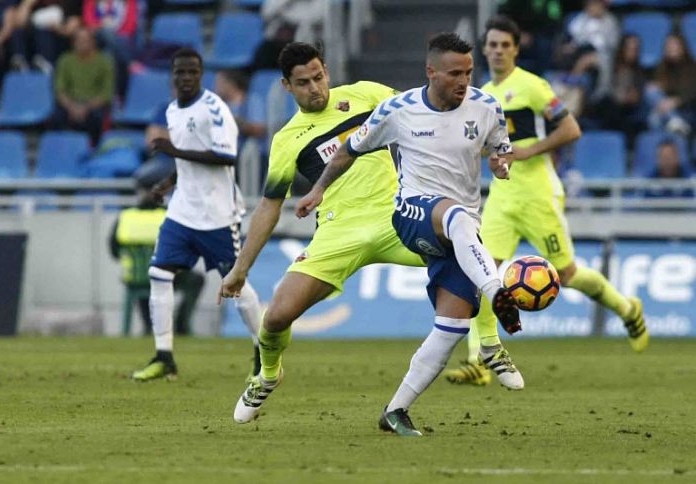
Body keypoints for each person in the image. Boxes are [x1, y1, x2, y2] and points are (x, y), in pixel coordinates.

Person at [294, 33, 522, 436]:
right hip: (413, 212)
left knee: (450, 328)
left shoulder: (487, 107)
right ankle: (496, 292)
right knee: (455, 216)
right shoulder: (397, 111)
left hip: (461, 229)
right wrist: (317, 189)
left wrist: (501, 164)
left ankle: (396, 411)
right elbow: (349, 150)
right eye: (454, 73)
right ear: (431, 72)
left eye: (468, 72)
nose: (463, 81)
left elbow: (500, 148)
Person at [219, 41, 440, 426]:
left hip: (395, 219)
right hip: (339, 232)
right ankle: (268, 374)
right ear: (287, 86)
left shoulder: (366, 95)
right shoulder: (288, 139)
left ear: (327, 71)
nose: (315, 88)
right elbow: (269, 205)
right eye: (303, 83)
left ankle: (487, 348)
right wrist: (241, 269)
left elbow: (423, 110)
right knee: (275, 318)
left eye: (319, 77)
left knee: (469, 258)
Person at [444, 16, 648, 387]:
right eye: (492, 45)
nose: (498, 51)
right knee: (483, 275)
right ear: (484, 49)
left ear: (516, 49)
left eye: (506, 45)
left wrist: (527, 152)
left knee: (567, 274)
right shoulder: (481, 94)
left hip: (538, 194)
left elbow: (571, 129)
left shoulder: (534, 87)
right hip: (502, 198)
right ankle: (479, 359)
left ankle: (626, 308)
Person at [131, 48, 262, 382]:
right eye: (180, 72)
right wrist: (165, 185)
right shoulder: (173, 111)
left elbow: (225, 156)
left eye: (192, 72)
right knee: (159, 275)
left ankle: (264, 353)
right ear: (172, 77)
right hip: (182, 212)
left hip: (217, 215)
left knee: (235, 284)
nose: (185, 77)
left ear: (201, 75)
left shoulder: (215, 108)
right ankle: (164, 357)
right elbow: (186, 161)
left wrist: (173, 150)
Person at [108, 164, 205, 336]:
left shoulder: (125, 217)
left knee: (145, 278)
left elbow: (114, 251)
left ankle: (149, 325)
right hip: (169, 276)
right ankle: (181, 325)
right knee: (193, 279)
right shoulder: (170, 216)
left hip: (135, 277)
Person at [51, 27, 114, 145]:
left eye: (86, 40)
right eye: (78, 40)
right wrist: (72, 107)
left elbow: (106, 93)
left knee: (97, 116)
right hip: (71, 103)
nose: (82, 43)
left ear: (93, 42)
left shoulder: (105, 61)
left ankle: (94, 148)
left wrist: (85, 108)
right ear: (73, 43)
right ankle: (61, 147)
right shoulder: (65, 60)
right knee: (56, 116)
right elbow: (60, 90)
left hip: (93, 104)